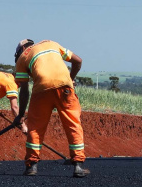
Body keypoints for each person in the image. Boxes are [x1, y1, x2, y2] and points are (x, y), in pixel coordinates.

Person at [14, 39, 88, 178]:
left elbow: (24, 91)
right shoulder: (51, 44)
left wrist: (21, 115)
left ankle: (31, 166)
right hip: (65, 89)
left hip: (41, 91)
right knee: (73, 125)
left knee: (35, 128)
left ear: (23, 48)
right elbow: (78, 61)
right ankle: (78, 165)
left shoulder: (22, 58)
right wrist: (70, 79)